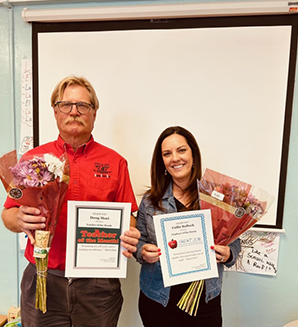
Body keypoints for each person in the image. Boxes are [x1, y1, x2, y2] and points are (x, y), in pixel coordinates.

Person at [1, 76, 140, 327]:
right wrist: (19, 219)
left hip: (98, 288)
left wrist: (129, 233)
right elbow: (8, 215)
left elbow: (128, 215)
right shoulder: (33, 160)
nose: (74, 112)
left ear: (94, 113)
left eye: (83, 106)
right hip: (43, 279)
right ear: (55, 111)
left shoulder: (115, 162)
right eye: (66, 105)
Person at [134, 126, 241, 327]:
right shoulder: (150, 200)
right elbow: (140, 240)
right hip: (158, 299)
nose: (175, 158)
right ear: (162, 161)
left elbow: (235, 241)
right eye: (167, 153)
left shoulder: (216, 198)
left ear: (193, 154)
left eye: (181, 150)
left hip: (205, 299)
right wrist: (142, 251)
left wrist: (228, 254)